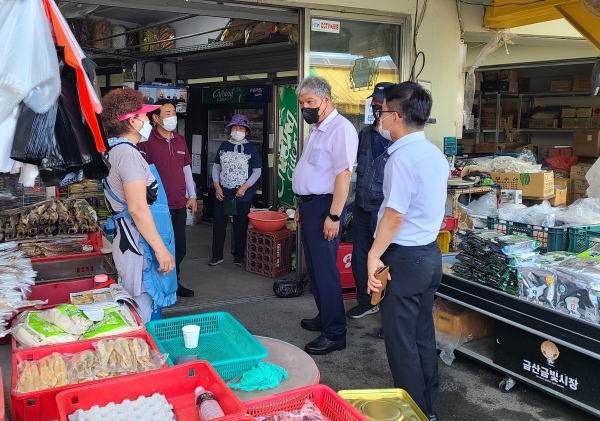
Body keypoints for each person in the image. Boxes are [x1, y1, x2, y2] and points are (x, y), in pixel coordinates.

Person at [367, 82, 447, 421]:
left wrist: (373, 255)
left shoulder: (401, 158)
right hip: (428, 256)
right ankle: (428, 408)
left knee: (401, 343)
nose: (380, 118)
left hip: (404, 257)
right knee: (422, 336)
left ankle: (414, 412)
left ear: (396, 116)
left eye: (383, 111)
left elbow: (394, 215)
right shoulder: (434, 154)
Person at [292, 76, 358, 355]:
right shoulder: (317, 130)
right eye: (301, 103)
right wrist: (300, 205)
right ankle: (325, 316)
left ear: (326, 100)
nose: (305, 107)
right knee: (314, 269)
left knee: (326, 271)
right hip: (310, 206)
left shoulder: (340, 129)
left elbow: (343, 175)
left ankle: (335, 333)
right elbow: (311, 171)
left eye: (310, 102)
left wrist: (334, 215)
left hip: (325, 208)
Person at [100, 88, 177, 323]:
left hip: (131, 239)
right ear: (132, 121)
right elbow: (137, 208)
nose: (148, 121)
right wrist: (160, 249)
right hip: (138, 244)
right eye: (144, 116)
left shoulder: (116, 150)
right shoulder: (127, 153)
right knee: (142, 314)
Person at [345, 82, 393, 323]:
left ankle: (389, 313)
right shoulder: (364, 134)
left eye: (380, 103)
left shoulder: (398, 139)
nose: (375, 106)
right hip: (363, 208)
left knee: (389, 261)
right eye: (373, 102)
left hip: (385, 212)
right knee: (360, 258)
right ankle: (366, 302)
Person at [138, 99, 197, 298]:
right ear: (156, 118)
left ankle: (174, 282)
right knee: (159, 245)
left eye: (174, 113)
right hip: (157, 205)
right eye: (168, 113)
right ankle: (157, 285)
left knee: (179, 246)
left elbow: (186, 168)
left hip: (179, 201)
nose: (173, 117)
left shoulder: (180, 139)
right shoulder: (146, 141)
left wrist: (192, 195)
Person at [209, 114, 261, 266]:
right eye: (235, 128)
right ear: (230, 130)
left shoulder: (251, 148)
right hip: (222, 191)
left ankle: (238, 255)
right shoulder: (224, 146)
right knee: (219, 224)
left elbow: (257, 171)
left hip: (243, 194)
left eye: (241, 128)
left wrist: (244, 187)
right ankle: (217, 255)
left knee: (240, 225)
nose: (237, 130)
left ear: (246, 131)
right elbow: (216, 167)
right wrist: (217, 186)